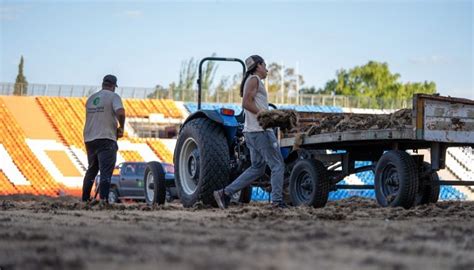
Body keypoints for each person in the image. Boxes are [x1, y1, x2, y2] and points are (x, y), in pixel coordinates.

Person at [214, 55, 287, 209]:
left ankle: (224, 193)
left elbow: (250, 103)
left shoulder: (252, 80)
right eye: (265, 65)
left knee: (258, 168)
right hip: (260, 131)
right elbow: (246, 103)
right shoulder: (254, 79)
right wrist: (265, 114)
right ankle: (277, 201)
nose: (267, 69)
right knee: (277, 164)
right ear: (258, 66)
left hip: (251, 132)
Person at [81, 74, 126, 203]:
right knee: (106, 172)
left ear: (103, 84)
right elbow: (121, 112)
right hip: (106, 137)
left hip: (90, 138)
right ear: (113, 86)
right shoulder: (113, 97)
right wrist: (121, 127)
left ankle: (85, 199)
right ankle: (104, 200)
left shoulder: (91, 99)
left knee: (92, 170)